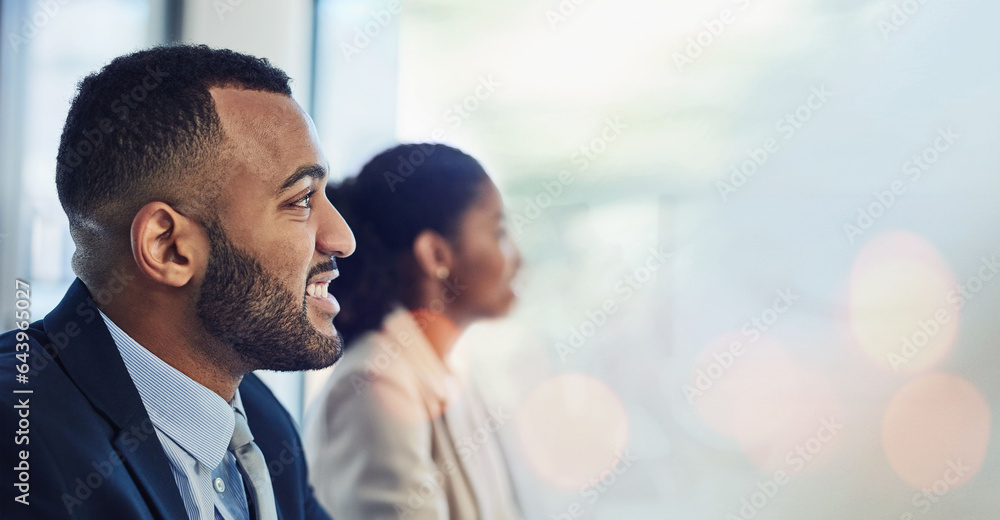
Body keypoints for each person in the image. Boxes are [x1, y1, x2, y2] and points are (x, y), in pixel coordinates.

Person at [0, 44, 355, 519]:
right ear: (167, 247)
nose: (342, 238)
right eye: (301, 200)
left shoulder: (262, 422)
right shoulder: (16, 435)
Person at [303, 143, 523, 520]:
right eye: (499, 232)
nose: (515, 258)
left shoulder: (451, 374)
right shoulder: (376, 384)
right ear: (436, 255)